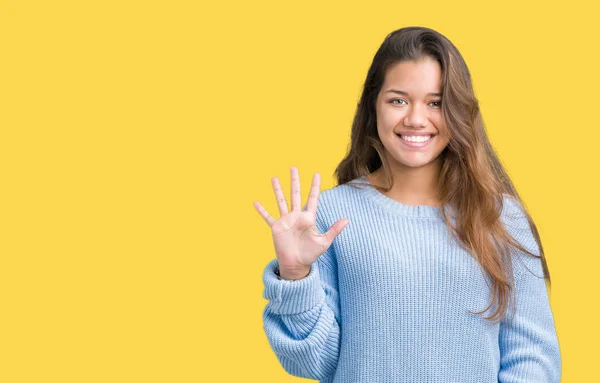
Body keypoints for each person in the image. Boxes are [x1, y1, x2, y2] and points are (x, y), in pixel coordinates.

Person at [253, 26, 561, 383]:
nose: (416, 118)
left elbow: (533, 360)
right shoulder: (327, 218)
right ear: (373, 106)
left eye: (435, 102)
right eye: (398, 100)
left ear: (458, 111)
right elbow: (319, 365)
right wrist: (295, 276)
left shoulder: (500, 216)